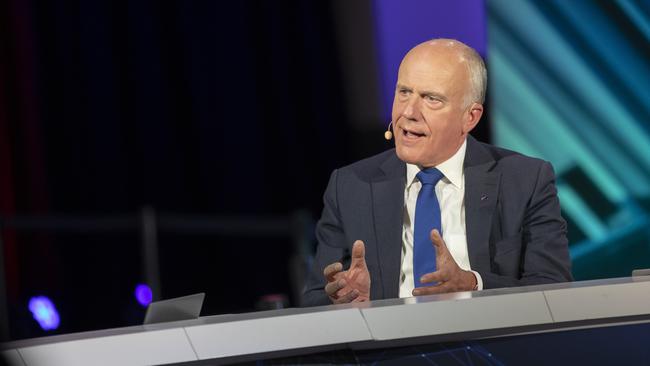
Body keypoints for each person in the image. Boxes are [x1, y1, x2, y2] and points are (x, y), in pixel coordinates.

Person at [301, 39, 573, 306]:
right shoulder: (351, 185)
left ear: (470, 117)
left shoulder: (525, 179)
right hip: (392, 347)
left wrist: (473, 283)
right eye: (404, 92)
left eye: (431, 99)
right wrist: (348, 301)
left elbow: (553, 287)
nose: (408, 111)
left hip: (490, 343)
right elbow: (315, 298)